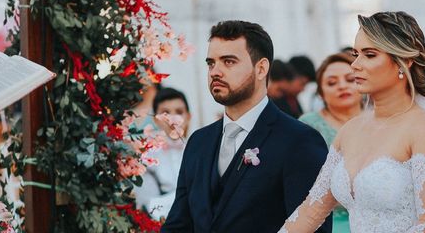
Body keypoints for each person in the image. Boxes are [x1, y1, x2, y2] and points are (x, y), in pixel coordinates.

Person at [278, 11, 425, 233]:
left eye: (370, 54)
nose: (355, 64)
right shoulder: (350, 130)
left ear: (404, 61)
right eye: (356, 54)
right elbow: (311, 210)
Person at [163, 20, 331, 233]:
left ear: (261, 68)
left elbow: (313, 229)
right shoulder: (198, 141)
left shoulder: (299, 141)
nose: (215, 71)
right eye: (211, 63)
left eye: (229, 61)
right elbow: (178, 225)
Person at [299, 52, 363, 233]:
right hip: (331, 221)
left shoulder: (379, 119)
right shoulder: (309, 124)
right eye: (332, 83)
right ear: (320, 93)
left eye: (350, 79)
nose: (342, 86)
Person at [134, 87, 191, 219]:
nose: (173, 119)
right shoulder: (147, 157)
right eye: (165, 113)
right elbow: (151, 206)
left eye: (179, 112)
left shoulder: (203, 151)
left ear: (188, 117)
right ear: (156, 119)